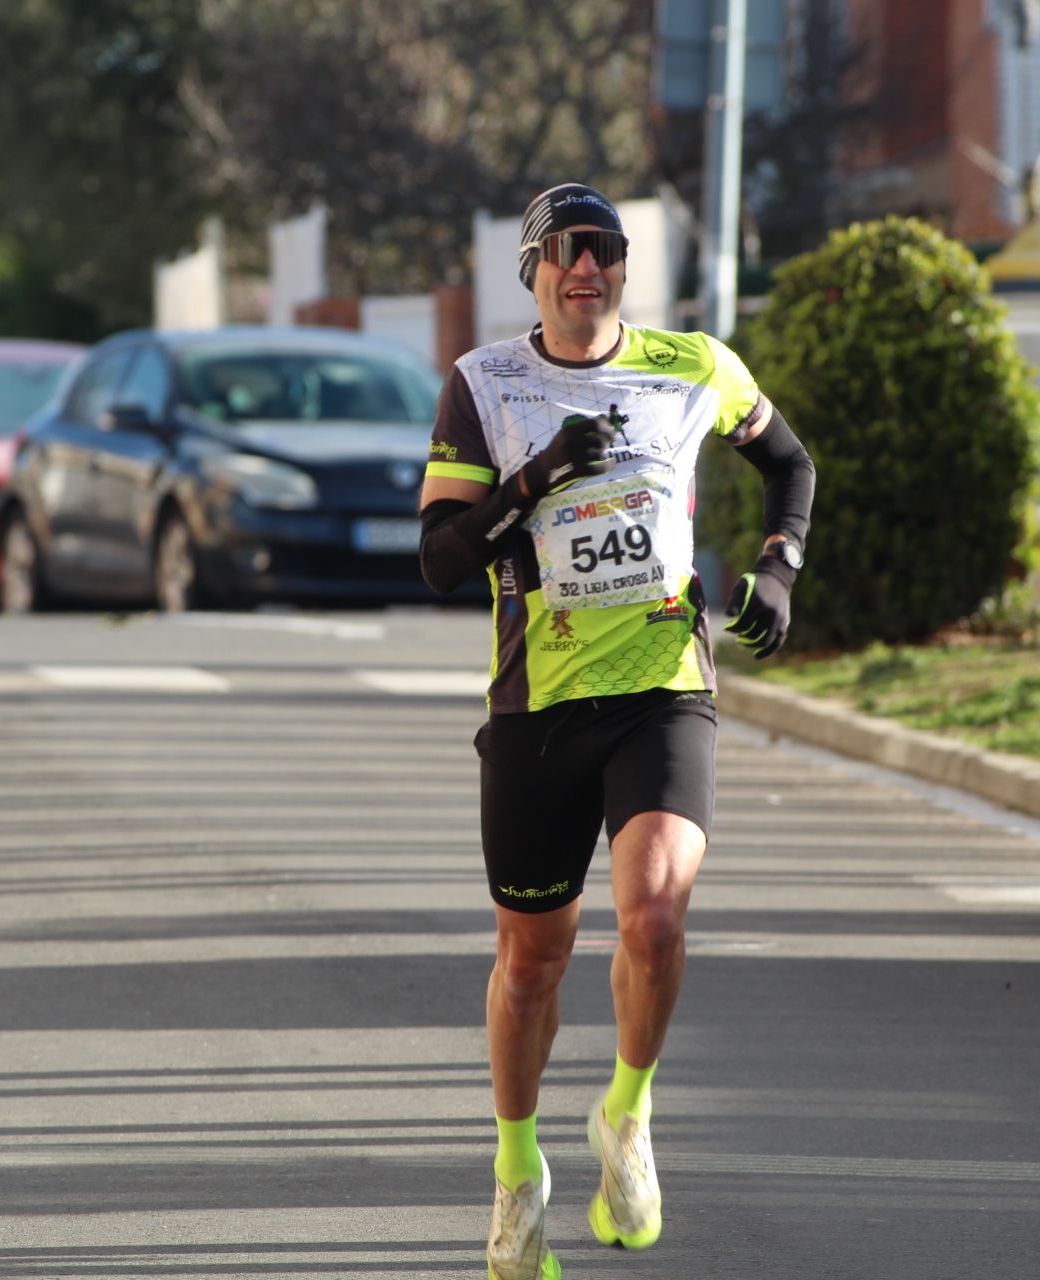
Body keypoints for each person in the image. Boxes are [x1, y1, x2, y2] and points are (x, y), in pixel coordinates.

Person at [419, 182, 815, 1279]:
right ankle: (515, 1174)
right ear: (533, 271)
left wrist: (779, 568)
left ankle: (628, 1114)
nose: (586, 267)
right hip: (538, 709)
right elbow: (444, 557)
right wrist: (541, 476)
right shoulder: (485, 386)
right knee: (532, 960)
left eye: (607, 249)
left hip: (662, 689)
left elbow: (791, 462)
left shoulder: (693, 362)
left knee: (654, 913)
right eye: (565, 251)